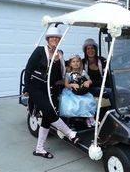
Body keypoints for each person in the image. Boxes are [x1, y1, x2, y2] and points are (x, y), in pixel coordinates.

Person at [23, 26, 79, 159]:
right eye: (52, 37)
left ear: (60, 39)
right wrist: (26, 88)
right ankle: (70, 133)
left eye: (57, 37)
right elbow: (28, 68)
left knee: (47, 119)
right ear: (48, 39)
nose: (55, 39)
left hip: (51, 89)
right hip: (36, 87)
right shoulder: (40, 51)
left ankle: (39, 149)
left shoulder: (60, 53)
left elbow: (62, 71)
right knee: (49, 111)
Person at [59, 54, 96, 127]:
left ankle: (89, 117)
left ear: (80, 63)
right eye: (73, 62)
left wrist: (87, 82)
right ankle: (75, 120)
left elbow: (90, 80)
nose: (76, 63)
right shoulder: (68, 74)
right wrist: (72, 85)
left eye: (78, 61)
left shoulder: (83, 72)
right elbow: (66, 84)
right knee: (74, 102)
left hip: (82, 91)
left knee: (88, 100)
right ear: (70, 63)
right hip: (71, 92)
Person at [82, 38, 112, 104]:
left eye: (92, 48)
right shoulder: (83, 62)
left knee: (125, 91)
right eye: (88, 48)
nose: (90, 50)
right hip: (91, 88)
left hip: (105, 86)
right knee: (111, 92)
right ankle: (114, 111)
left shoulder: (102, 60)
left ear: (95, 49)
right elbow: (71, 63)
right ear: (85, 51)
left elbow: (108, 75)